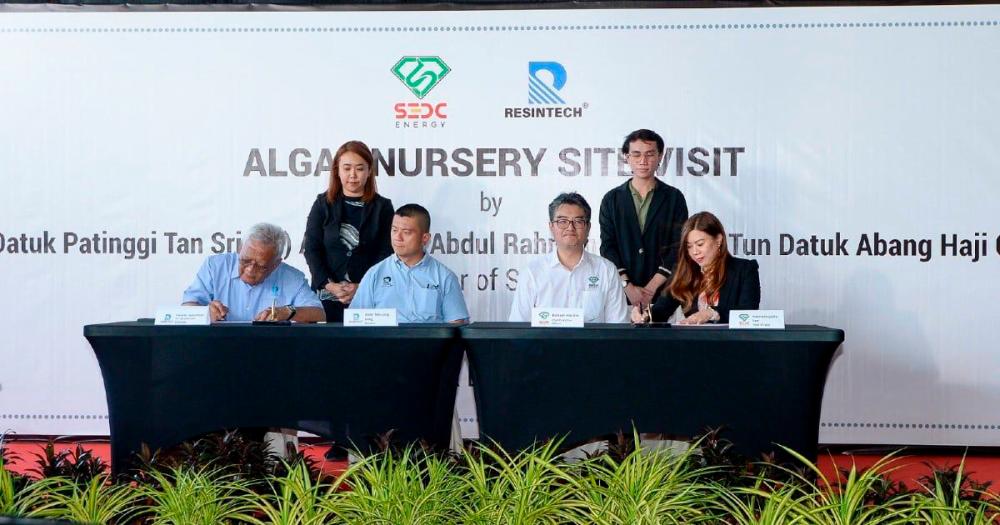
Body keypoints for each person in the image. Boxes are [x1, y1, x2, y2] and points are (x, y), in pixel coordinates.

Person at [304, 140, 394, 322]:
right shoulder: (322, 204)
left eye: (360, 168)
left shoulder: (383, 207)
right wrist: (330, 285)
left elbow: (386, 254)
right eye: (346, 168)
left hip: (368, 298)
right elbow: (312, 249)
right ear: (337, 171)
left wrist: (361, 286)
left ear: (369, 172)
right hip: (326, 298)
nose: (352, 175)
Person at [599, 129, 688, 311]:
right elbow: (608, 247)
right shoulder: (612, 199)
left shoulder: (674, 198)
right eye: (636, 154)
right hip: (621, 295)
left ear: (660, 156)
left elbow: (678, 246)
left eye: (650, 154)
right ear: (626, 157)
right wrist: (627, 286)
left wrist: (652, 287)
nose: (643, 161)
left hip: (665, 294)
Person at [509, 192, 628, 323]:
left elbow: (618, 328)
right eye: (562, 221)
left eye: (578, 221)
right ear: (551, 227)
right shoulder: (532, 273)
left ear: (588, 227)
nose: (570, 227)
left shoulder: (607, 271)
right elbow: (518, 329)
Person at [350, 203, 470, 324]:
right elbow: (356, 323)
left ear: (425, 238)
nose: (398, 237)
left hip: (429, 342)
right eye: (394, 230)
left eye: (406, 232)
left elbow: (456, 325)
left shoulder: (445, 277)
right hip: (384, 342)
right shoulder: (374, 274)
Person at [633, 211, 760, 324]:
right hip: (694, 345)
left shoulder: (745, 269)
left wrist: (711, 313)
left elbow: (748, 312)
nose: (694, 252)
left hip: (733, 346)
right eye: (689, 246)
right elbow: (661, 310)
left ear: (718, 240)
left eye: (700, 244)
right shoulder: (684, 271)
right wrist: (644, 316)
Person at [182, 222, 324, 323]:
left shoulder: (293, 278)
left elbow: (319, 314)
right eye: (245, 260)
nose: (250, 269)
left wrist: (287, 312)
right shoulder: (214, 267)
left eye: (261, 266)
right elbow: (187, 307)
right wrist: (205, 312)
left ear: (275, 264)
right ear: (240, 248)